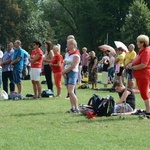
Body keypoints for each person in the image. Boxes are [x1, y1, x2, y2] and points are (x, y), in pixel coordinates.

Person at [127, 35, 150, 119]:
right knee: (143, 94)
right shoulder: (141, 51)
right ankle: (148, 111)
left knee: (144, 94)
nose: (137, 43)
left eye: (138, 42)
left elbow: (144, 64)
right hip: (139, 75)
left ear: (143, 43)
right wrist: (131, 64)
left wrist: (132, 67)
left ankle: (148, 113)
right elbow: (136, 60)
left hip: (144, 75)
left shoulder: (147, 51)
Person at [63, 39, 80, 113]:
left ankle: (77, 108)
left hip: (72, 73)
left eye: (68, 44)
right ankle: (72, 107)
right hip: (66, 72)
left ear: (73, 45)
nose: (67, 46)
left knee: (71, 91)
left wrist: (65, 71)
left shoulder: (76, 54)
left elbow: (73, 65)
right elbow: (64, 63)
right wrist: (63, 72)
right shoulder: (67, 54)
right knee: (69, 92)